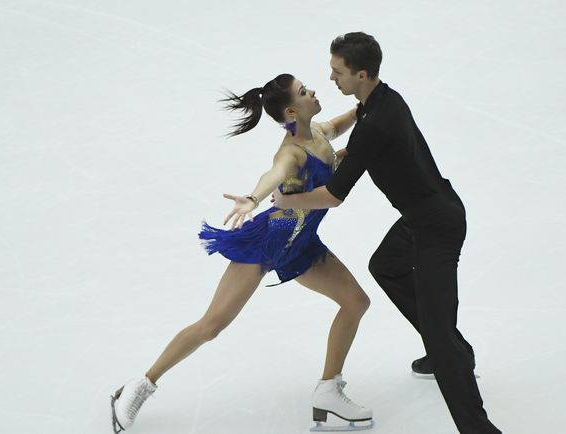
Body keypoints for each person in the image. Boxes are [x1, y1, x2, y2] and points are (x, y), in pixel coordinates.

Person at [110, 73, 374, 433]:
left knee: (356, 301)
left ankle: (328, 390)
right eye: (303, 92)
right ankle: (139, 386)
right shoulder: (291, 153)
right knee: (211, 326)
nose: (313, 91)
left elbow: (348, 119)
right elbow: (274, 174)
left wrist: (372, 103)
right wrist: (253, 197)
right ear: (291, 111)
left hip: (301, 245)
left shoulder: (320, 133)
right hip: (267, 242)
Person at [271, 33, 502, 434]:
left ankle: (476, 423)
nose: (330, 78)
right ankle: (453, 348)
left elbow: (333, 196)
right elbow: (361, 150)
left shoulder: (375, 123)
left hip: (437, 229)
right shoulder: (381, 101)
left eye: (337, 71)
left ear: (362, 73)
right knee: (385, 265)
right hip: (423, 216)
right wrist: (330, 158)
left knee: (438, 334)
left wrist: (287, 201)